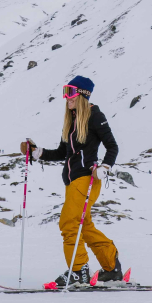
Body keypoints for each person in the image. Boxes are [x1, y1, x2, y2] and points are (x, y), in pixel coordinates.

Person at [21, 75, 123, 286]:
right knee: (84, 227)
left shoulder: (95, 115)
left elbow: (112, 146)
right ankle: (111, 267)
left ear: (82, 94)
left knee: (68, 224)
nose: (67, 98)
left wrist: (105, 167)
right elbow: (61, 153)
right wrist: (36, 152)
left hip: (87, 179)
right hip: (72, 181)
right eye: (65, 92)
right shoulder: (71, 121)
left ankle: (79, 271)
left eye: (70, 92)